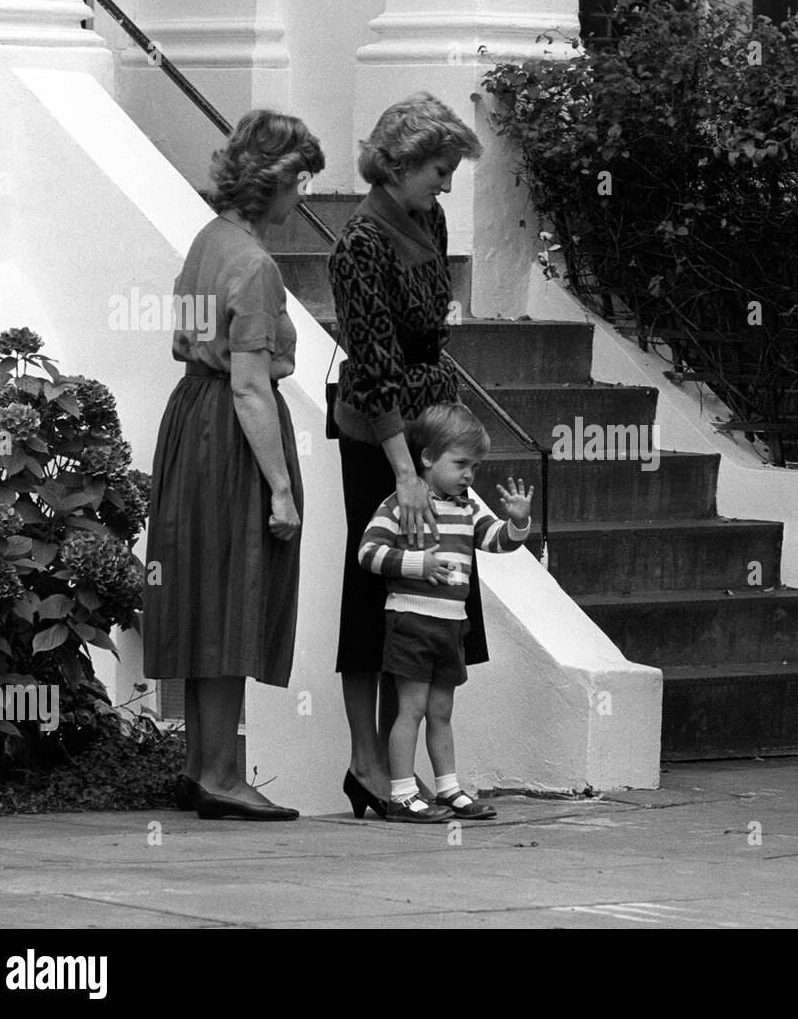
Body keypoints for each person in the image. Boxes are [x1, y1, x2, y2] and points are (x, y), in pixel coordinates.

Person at [144, 109, 325, 820]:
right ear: (272, 184)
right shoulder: (255, 263)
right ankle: (222, 773)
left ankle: (202, 764)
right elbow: (251, 384)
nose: (301, 197)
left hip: (191, 420)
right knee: (233, 593)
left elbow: (181, 343)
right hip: (229, 432)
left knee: (201, 591)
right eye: (299, 181)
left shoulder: (205, 241)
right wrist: (281, 488)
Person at [327, 93, 485, 819]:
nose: (447, 185)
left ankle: (418, 775)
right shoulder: (359, 242)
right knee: (377, 596)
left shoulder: (429, 217)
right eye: (439, 171)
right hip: (383, 441)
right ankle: (368, 766)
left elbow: (430, 332)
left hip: (430, 429)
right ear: (399, 164)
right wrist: (404, 471)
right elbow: (372, 365)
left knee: (429, 603)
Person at [356, 403, 532, 822]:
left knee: (441, 711)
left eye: (475, 466)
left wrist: (518, 524)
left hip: (452, 623)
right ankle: (400, 794)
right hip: (411, 619)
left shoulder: (468, 507)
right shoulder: (401, 505)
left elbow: (495, 541)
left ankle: (447, 789)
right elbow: (368, 552)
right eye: (460, 464)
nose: (469, 474)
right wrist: (419, 564)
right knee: (411, 709)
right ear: (429, 458)